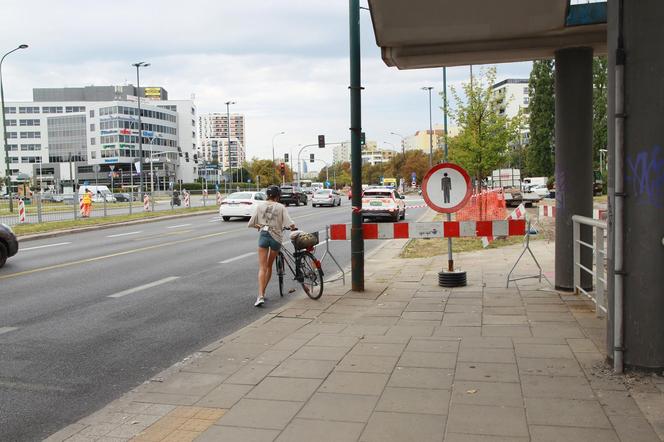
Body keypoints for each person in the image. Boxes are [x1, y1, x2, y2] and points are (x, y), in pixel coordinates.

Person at [247, 185, 296, 307]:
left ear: (268, 195)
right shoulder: (280, 207)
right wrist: (293, 227)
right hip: (276, 238)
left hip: (264, 235)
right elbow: (290, 223)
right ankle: (263, 291)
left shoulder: (260, 206)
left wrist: (260, 226)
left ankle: (260, 295)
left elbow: (252, 222)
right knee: (269, 266)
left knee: (262, 267)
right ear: (277, 196)